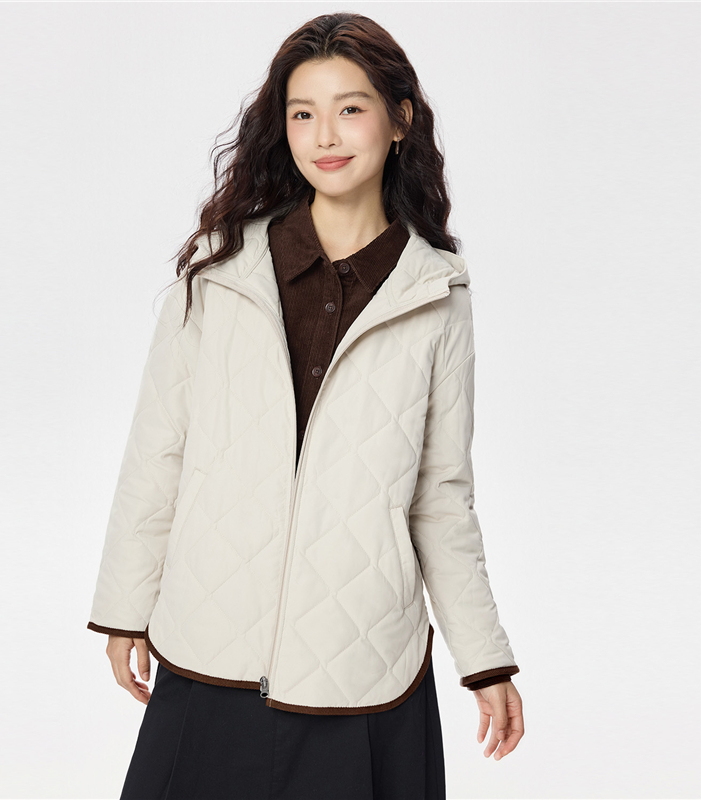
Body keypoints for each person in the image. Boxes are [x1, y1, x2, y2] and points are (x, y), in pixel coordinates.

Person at [86, 12, 525, 799]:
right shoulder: (219, 272)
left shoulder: (436, 295)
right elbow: (159, 448)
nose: (324, 134)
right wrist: (125, 605)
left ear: (400, 120)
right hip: (210, 647)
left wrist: (485, 660)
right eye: (302, 113)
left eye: (350, 108)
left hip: (364, 670)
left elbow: (440, 495)